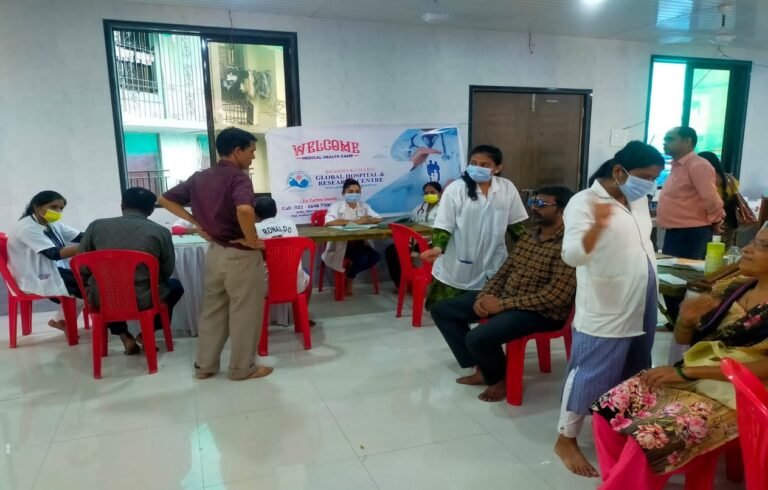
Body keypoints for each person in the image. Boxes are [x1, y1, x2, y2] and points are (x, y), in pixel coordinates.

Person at [590, 227, 768, 489]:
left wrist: (685, 373)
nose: (747, 249)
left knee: (650, 438)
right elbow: (686, 338)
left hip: (744, 392)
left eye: (763, 246)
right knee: (607, 410)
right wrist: (686, 320)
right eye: (753, 241)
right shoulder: (733, 288)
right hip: (699, 375)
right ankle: (619, 482)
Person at [553, 141, 665, 478]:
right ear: (619, 171)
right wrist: (598, 227)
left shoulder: (637, 199)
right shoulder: (584, 202)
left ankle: (619, 425)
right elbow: (572, 255)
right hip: (606, 302)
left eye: (655, 178)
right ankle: (565, 438)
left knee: (636, 367)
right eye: (646, 177)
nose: (650, 185)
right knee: (590, 372)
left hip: (643, 296)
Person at [430, 186, 576, 402]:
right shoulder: (529, 236)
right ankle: (484, 367)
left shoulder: (571, 244)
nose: (534, 208)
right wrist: (484, 296)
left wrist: (502, 305)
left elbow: (555, 297)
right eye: (532, 202)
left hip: (542, 312)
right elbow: (505, 271)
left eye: (541, 204)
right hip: (509, 299)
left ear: (563, 210)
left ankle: (500, 378)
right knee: (442, 310)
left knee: (478, 337)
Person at [159, 127, 272, 381]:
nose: (253, 156)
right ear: (237, 150)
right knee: (245, 312)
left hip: (215, 253)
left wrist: (197, 223)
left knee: (213, 310)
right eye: (252, 151)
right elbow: (245, 210)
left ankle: (205, 366)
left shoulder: (200, 177)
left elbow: (164, 199)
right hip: (241, 255)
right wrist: (252, 240)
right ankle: (242, 368)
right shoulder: (239, 178)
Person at [78, 187, 184, 355]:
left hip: (102, 297)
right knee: (175, 286)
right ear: (151, 210)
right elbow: (166, 270)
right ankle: (147, 333)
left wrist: (90, 284)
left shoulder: (96, 226)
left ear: (122, 205)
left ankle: (124, 336)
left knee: (105, 289)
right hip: (144, 298)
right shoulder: (161, 232)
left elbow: (81, 265)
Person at [420, 145, 528, 309]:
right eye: (473, 163)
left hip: (495, 261)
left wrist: (531, 250)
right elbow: (443, 225)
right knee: (447, 310)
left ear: (498, 168)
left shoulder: (507, 188)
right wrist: (437, 248)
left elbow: (516, 225)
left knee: (487, 309)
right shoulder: (456, 189)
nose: (477, 167)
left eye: (484, 165)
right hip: (458, 264)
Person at [657, 127, 725, 324]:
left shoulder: (698, 165)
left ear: (687, 141)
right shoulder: (678, 166)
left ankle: (684, 324)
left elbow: (711, 198)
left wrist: (716, 220)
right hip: (677, 231)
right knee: (669, 278)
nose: (665, 143)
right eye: (665, 139)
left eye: (670, 139)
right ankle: (676, 321)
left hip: (690, 232)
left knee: (679, 280)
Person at [7, 190, 85, 333]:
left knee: (90, 281)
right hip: (33, 276)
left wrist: (99, 234)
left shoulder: (52, 224)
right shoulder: (27, 228)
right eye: (54, 207)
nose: (58, 211)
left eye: (61, 208)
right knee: (88, 285)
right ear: (37, 207)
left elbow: (80, 236)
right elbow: (53, 254)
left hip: (48, 270)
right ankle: (62, 321)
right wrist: (87, 246)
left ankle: (60, 321)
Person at [322, 178, 383, 296]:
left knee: (375, 257)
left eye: (357, 192)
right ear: (343, 193)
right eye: (350, 192)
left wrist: (368, 220)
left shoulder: (364, 206)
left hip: (360, 243)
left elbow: (379, 219)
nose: (354, 194)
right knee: (362, 258)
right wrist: (355, 222)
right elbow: (328, 222)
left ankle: (349, 275)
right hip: (343, 245)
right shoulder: (336, 206)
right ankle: (349, 282)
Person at [384, 181, 442, 287]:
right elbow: (411, 224)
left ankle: (430, 282)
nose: (429, 195)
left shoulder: (445, 208)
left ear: (440, 193)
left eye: (432, 192)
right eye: (426, 193)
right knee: (392, 251)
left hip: (435, 242)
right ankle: (401, 285)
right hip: (416, 241)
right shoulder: (419, 208)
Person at [254, 196, 310, 294]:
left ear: (255, 214)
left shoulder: (255, 228)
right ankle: (302, 304)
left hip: (267, 288)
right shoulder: (290, 223)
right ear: (276, 210)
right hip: (296, 285)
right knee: (306, 273)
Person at [699, 151, 740, 248]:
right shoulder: (730, 178)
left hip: (710, 222)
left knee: (706, 250)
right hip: (729, 221)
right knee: (722, 250)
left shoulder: (706, 179)